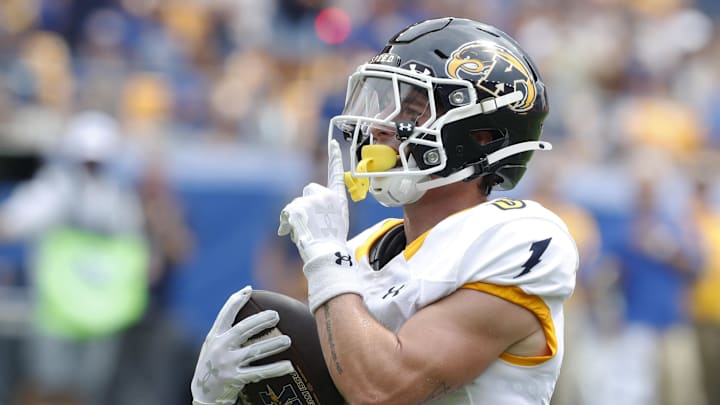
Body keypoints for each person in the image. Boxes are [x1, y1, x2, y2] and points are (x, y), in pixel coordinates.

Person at [191, 17, 578, 405]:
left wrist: (326, 258)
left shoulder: (517, 238)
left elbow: (382, 388)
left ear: (479, 136)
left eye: (411, 110)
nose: (380, 127)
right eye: (386, 105)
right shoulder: (360, 252)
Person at [0, 110, 148, 404]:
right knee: (47, 382)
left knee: (88, 388)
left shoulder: (119, 197)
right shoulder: (52, 190)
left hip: (102, 312)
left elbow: (137, 245)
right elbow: (14, 222)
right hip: (56, 314)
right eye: (87, 162)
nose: (92, 169)